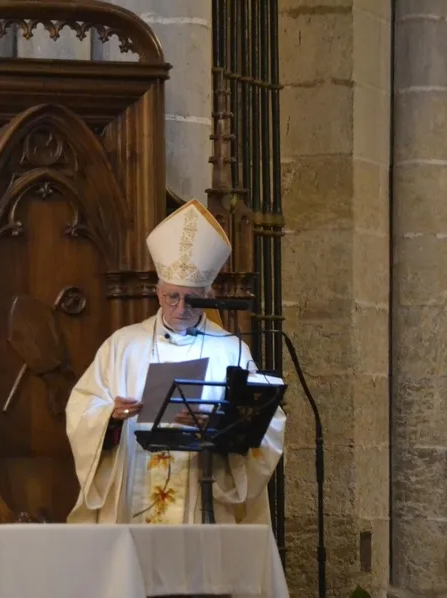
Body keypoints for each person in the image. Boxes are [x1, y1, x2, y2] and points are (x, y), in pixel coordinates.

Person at [64, 199, 289, 596]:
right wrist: (110, 418)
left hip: (204, 499)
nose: (182, 308)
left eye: (192, 298)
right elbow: (82, 407)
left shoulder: (230, 350)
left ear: (208, 294)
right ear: (157, 293)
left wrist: (220, 423)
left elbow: (267, 421)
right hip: (133, 503)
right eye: (172, 297)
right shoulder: (123, 346)